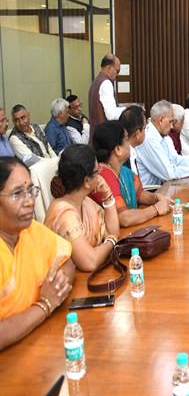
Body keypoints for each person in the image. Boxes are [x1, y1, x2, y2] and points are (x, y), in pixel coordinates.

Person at [0, 156, 74, 350]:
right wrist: (45, 304)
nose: (29, 201)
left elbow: (67, 262)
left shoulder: (31, 230)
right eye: (17, 193)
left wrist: (57, 286)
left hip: (38, 339)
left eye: (31, 190)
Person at [44, 144, 120, 272]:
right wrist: (112, 241)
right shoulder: (63, 213)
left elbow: (112, 232)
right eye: (97, 171)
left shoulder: (84, 202)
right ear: (86, 181)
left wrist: (107, 196)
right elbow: (90, 262)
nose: (100, 175)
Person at [93, 121, 172, 227]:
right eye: (126, 139)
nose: (129, 143)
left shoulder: (123, 172)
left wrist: (156, 198)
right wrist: (156, 209)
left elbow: (139, 195)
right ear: (118, 149)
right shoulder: (103, 176)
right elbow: (124, 218)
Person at [136, 100, 189, 186]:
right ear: (161, 120)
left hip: (165, 185)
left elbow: (175, 159)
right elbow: (169, 173)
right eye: (170, 121)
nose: (172, 126)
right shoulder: (149, 139)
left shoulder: (163, 136)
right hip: (153, 190)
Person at [88, 53, 125, 142]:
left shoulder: (96, 81)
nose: (118, 75)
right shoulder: (106, 83)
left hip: (96, 136)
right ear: (109, 68)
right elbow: (111, 115)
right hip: (105, 138)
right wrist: (127, 109)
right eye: (117, 71)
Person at [118, 105, 147, 170]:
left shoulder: (131, 152)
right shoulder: (123, 158)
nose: (146, 132)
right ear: (137, 134)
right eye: (144, 128)